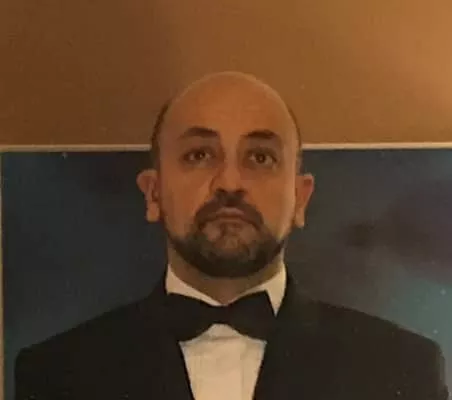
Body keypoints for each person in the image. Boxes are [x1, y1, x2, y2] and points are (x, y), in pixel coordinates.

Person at [15, 71, 448, 400]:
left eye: (260, 157)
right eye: (199, 154)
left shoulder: (401, 368)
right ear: (153, 193)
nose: (229, 182)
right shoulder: (57, 374)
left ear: (300, 198)